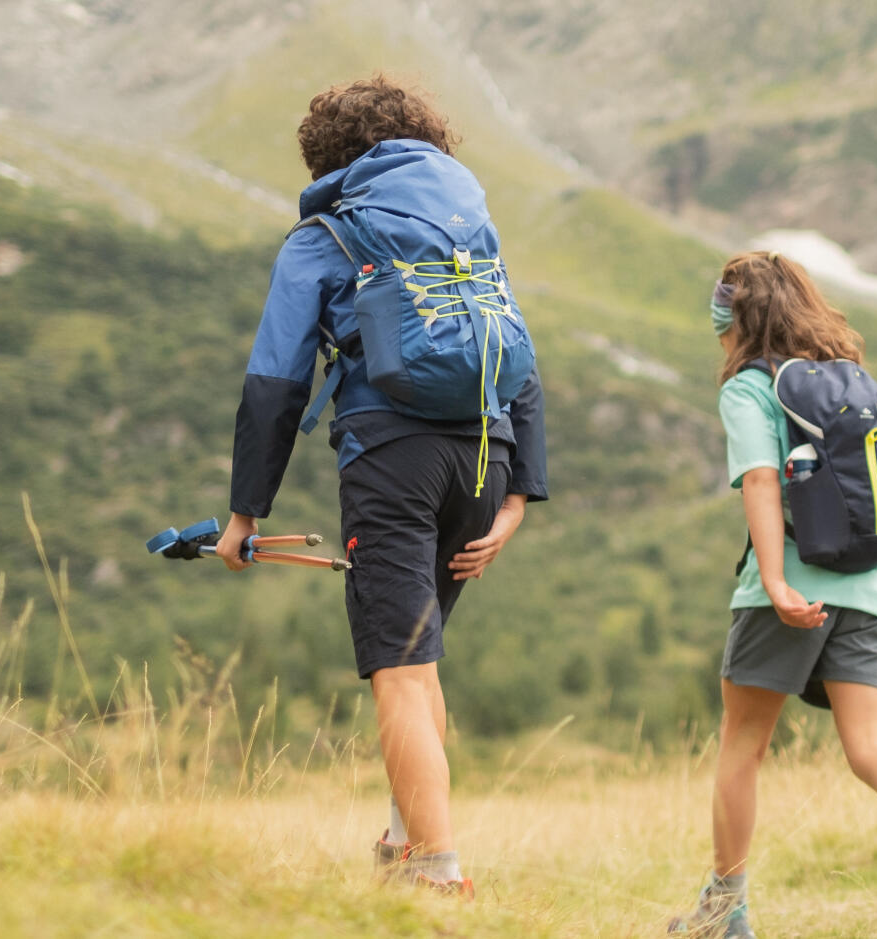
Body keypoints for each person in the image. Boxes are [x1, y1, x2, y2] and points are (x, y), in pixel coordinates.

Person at [215, 76, 548, 895]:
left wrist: (242, 514)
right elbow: (518, 348)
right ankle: (406, 841)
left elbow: (275, 383)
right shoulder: (468, 215)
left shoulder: (327, 230)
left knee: (399, 669)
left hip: (393, 460)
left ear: (328, 157)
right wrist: (517, 496)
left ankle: (436, 872)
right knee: (420, 661)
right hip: (486, 460)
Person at [668, 251, 877, 939]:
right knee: (871, 746)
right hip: (870, 588)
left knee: (742, 745)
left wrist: (778, 582)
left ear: (736, 318)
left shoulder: (752, 386)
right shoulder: (857, 384)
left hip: (787, 587)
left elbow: (760, 480)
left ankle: (725, 909)